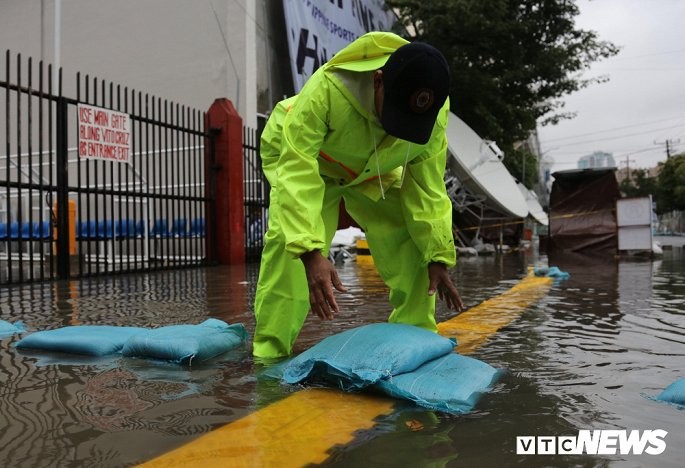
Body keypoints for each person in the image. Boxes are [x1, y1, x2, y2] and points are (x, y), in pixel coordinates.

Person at [253, 31, 464, 359]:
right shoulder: (327, 91)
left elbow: (427, 188)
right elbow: (297, 172)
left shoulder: (433, 114)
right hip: (310, 161)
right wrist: (311, 254)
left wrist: (437, 256)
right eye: (395, 114)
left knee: (414, 240)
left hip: (371, 166)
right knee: (289, 246)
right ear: (378, 81)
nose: (398, 126)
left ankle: (416, 341)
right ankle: (269, 353)